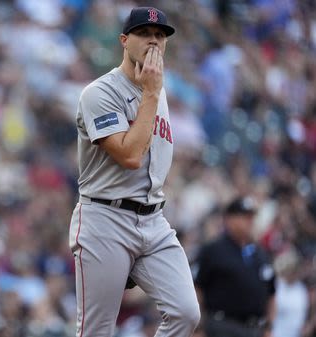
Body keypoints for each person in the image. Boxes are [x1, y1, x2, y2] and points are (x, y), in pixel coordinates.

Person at [68, 7, 200, 337]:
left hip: (153, 219)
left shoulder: (157, 90)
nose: (154, 41)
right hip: (105, 217)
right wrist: (152, 93)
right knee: (96, 330)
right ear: (125, 41)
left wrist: (153, 93)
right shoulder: (100, 92)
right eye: (145, 34)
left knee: (186, 313)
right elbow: (129, 156)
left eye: (160, 35)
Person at [194, 196, 276, 337]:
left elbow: (271, 294)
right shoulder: (213, 250)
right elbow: (197, 288)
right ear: (229, 220)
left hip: (254, 329)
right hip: (221, 327)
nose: (250, 221)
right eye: (245, 216)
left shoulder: (261, 254)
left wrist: (269, 327)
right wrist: (198, 326)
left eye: (252, 217)